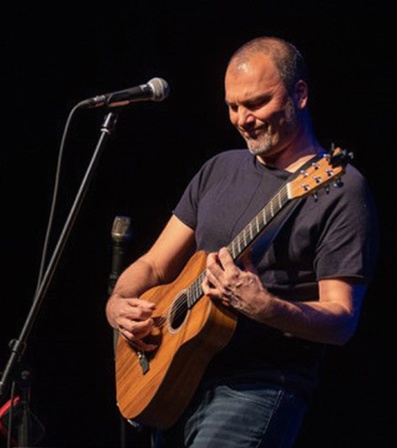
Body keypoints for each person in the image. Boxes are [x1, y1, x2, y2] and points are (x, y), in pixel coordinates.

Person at [105, 36, 379, 447]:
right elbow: (154, 266)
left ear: (299, 94)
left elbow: (342, 320)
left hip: (259, 387)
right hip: (175, 378)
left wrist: (265, 307)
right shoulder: (219, 169)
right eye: (234, 106)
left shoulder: (341, 189)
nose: (243, 119)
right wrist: (117, 303)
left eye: (256, 104)